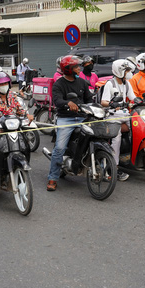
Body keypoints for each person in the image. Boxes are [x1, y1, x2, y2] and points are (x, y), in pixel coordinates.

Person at [47, 55, 93, 191]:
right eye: (76, 66)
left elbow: (89, 99)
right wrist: (68, 103)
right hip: (66, 119)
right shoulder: (59, 84)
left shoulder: (82, 83)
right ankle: (52, 178)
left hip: (83, 118)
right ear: (68, 69)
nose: (79, 68)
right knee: (60, 148)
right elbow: (57, 101)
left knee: (97, 137)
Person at [100, 59, 136, 181]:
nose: (129, 73)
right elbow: (103, 102)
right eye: (127, 71)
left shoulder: (127, 83)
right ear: (119, 71)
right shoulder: (110, 84)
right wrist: (112, 104)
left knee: (138, 127)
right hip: (112, 116)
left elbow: (133, 98)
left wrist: (143, 100)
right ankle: (114, 167)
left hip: (125, 114)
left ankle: (133, 159)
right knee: (117, 138)